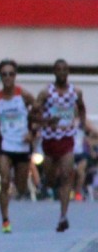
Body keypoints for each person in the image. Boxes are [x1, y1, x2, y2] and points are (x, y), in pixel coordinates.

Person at [35, 59, 86, 232]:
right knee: (50, 181)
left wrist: (81, 126)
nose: (62, 72)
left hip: (66, 140)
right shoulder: (46, 93)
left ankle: (63, 216)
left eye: (65, 69)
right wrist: (47, 120)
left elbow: (82, 108)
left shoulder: (75, 92)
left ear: (69, 72)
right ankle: (47, 183)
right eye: (59, 69)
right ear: (54, 72)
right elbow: (32, 115)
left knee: (66, 175)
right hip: (49, 141)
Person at [0, 60, 35, 232]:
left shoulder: (24, 96)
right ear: (0, 77)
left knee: (21, 187)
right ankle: (5, 220)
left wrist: (32, 133)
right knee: (4, 181)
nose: (7, 77)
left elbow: (38, 112)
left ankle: (13, 193)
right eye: (4, 74)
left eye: (11, 74)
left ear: (15, 76)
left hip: (22, 146)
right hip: (4, 145)